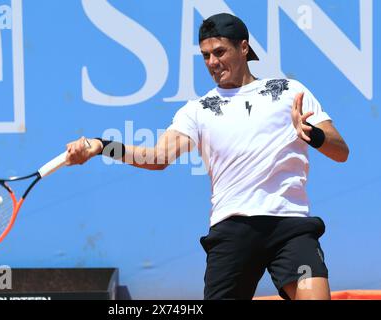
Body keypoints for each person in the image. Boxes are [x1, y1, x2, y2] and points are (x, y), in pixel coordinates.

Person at [65, 13, 349, 300]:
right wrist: (102, 146)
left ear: (244, 48)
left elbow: (341, 151)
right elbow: (157, 157)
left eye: (220, 52)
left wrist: (314, 134)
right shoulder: (197, 110)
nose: (212, 62)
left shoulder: (291, 92)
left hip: (290, 226)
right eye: (205, 56)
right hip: (232, 229)